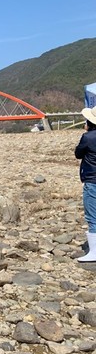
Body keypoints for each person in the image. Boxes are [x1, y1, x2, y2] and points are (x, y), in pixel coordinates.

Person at [75, 106, 96, 262]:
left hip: (92, 180)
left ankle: (94, 252)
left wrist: (87, 131)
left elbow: (78, 153)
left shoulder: (88, 137)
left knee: (93, 216)